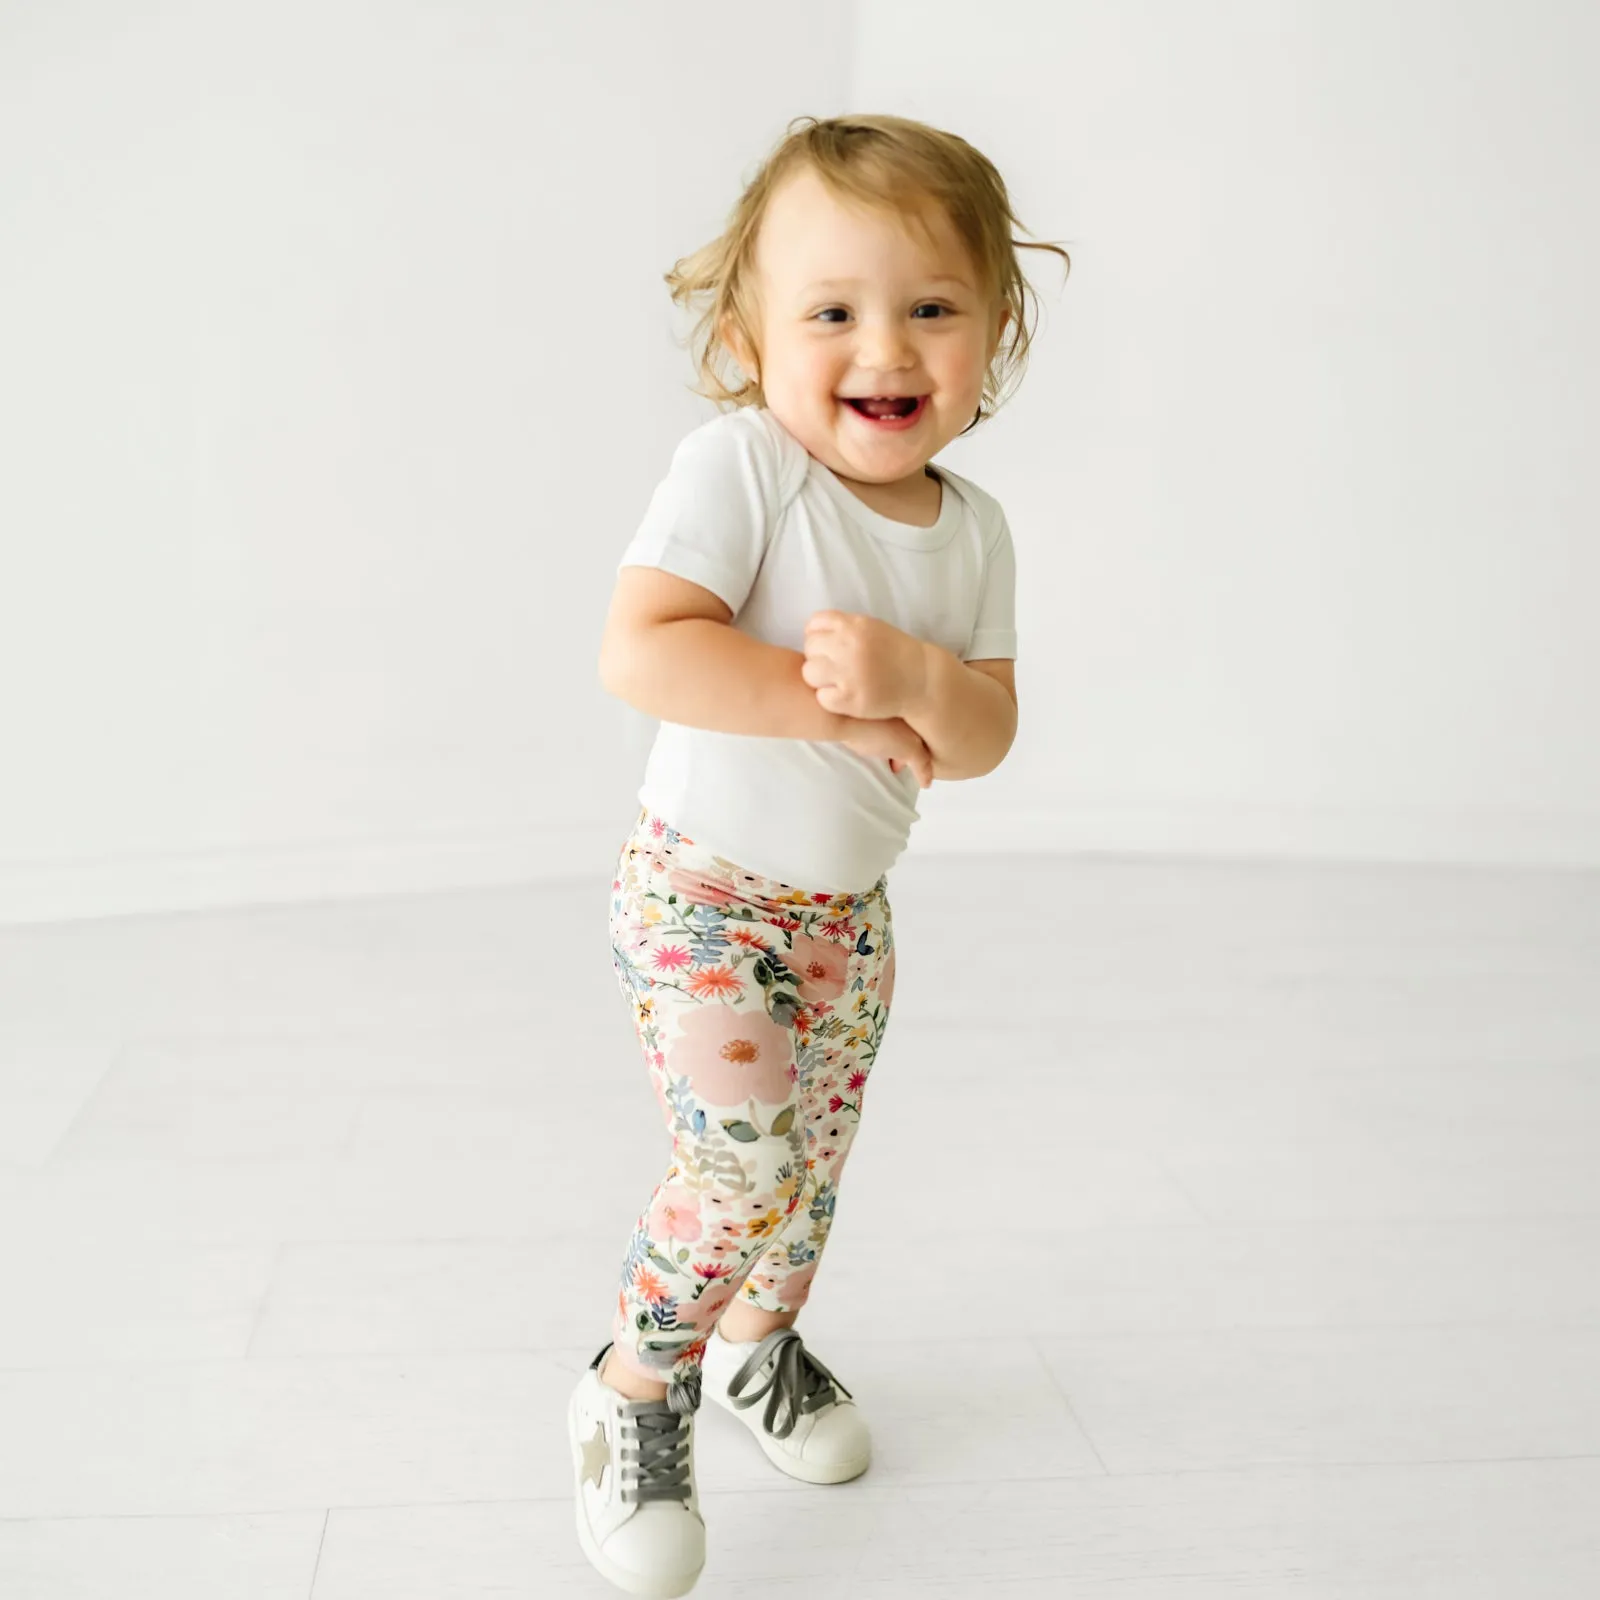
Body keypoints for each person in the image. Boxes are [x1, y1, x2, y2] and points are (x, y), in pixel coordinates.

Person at [567, 112, 1069, 1598]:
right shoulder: (745, 470)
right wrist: (827, 705)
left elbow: (984, 734)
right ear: (749, 333)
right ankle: (630, 1390)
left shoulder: (972, 532)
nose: (887, 348)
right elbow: (640, 652)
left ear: (994, 329)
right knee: (741, 1170)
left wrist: (918, 684)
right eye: (834, 311)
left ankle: (757, 1349)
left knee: (813, 1182)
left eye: (932, 307)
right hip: (701, 901)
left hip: (848, 921)